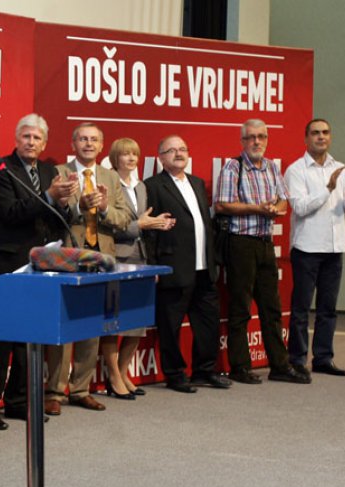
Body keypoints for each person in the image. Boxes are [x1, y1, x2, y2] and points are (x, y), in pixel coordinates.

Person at [0, 113, 76, 430]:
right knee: (1, 339)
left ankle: (18, 402)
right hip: (8, 264)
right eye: (26, 136)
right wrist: (49, 197)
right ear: (17, 139)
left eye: (36, 138)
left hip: (41, 265)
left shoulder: (49, 171)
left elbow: (57, 217)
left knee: (28, 339)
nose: (31, 142)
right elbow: (9, 213)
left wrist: (64, 203)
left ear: (44, 143)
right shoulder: (1, 168)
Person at [214, 119, 309, 385]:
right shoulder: (233, 168)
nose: (257, 142)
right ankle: (239, 366)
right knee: (240, 307)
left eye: (261, 137)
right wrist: (259, 209)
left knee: (272, 308)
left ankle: (279, 365)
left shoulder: (272, 167)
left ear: (267, 139)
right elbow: (222, 205)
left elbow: (283, 200)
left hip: (265, 242)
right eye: (251, 137)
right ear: (242, 141)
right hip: (241, 243)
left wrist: (275, 208)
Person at [44, 123, 130, 414]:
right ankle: (55, 392)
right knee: (65, 324)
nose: (89, 144)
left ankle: (81, 389)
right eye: (83, 139)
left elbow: (124, 218)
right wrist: (79, 206)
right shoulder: (58, 172)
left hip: (101, 259)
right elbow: (53, 214)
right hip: (68, 257)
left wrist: (104, 208)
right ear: (73, 143)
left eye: (94, 139)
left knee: (91, 326)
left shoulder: (110, 177)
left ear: (102, 145)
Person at [144, 135, 232, 393]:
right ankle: (175, 374)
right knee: (170, 325)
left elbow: (205, 224)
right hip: (173, 266)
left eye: (183, 149)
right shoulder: (153, 186)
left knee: (207, 323)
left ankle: (204, 371)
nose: (179, 153)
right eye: (171, 150)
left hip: (204, 267)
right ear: (161, 158)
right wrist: (153, 266)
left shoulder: (196, 182)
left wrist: (214, 260)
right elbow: (149, 231)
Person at [284, 118, 345, 377]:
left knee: (328, 308)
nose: (321, 137)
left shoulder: (341, 168)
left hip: (334, 247)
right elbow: (300, 207)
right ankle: (297, 359)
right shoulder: (296, 170)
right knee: (301, 309)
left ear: (330, 137)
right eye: (316, 133)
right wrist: (328, 189)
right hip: (307, 248)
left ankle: (323, 358)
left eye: (325, 132)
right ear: (306, 138)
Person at [106, 137, 175, 397]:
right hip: (116, 258)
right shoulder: (108, 184)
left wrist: (157, 223)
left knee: (137, 321)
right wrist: (141, 225)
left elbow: (142, 223)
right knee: (113, 322)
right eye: (125, 154)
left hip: (140, 258)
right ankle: (113, 376)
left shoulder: (141, 186)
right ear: (115, 158)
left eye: (135, 154)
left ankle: (124, 372)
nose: (131, 159)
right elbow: (109, 225)